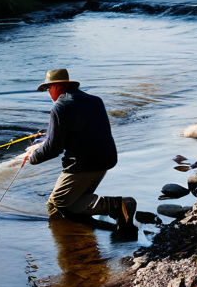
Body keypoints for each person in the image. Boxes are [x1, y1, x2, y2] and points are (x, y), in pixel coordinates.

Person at [25, 69, 137, 233]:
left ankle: (117, 207)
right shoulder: (95, 101)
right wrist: (47, 135)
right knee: (73, 201)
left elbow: (53, 148)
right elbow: (81, 129)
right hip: (106, 159)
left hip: (83, 164)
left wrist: (32, 157)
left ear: (58, 86)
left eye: (48, 88)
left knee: (57, 203)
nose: (48, 92)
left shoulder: (60, 106)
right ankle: (98, 226)